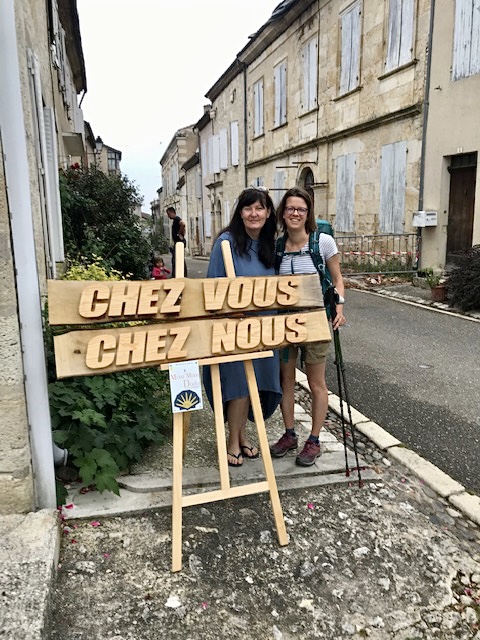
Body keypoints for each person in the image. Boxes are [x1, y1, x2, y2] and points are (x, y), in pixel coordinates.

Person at [202, 187, 282, 467]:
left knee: (255, 385)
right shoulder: (225, 243)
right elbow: (213, 288)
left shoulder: (269, 245)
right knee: (237, 385)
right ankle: (232, 442)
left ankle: (243, 435)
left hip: (264, 330)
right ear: (240, 212)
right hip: (233, 331)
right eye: (248, 208)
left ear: (268, 213)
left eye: (259, 208)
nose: (254, 213)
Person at [269, 186, 346, 467]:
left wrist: (339, 307)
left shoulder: (322, 242)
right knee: (285, 381)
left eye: (301, 209)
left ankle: (314, 440)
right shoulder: (277, 247)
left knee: (316, 383)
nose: (296, 213)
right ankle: (290, 434)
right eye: (291, 208)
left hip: (315, 320)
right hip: (285, 321)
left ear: (308, 213)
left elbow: (337, 280)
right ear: (283, 212)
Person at [166, 206, 187, 277]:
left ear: (172, 212)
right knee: (179, 259)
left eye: (169, 214)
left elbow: (183, 224)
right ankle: (182, 274)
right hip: (178, 242)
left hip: (179, 242)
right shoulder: (175, 220)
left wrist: (179, 233)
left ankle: (176, 275)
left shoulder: (177, 219)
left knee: (176, 259)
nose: (168, 216)